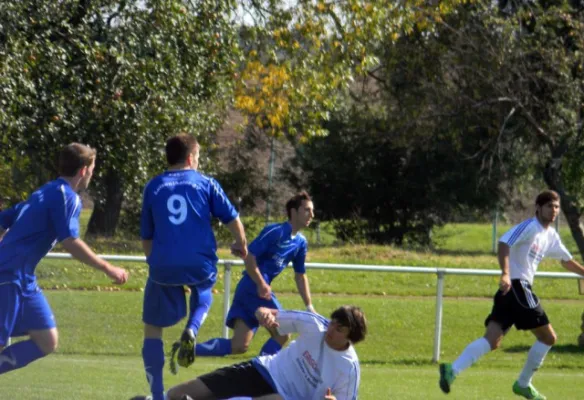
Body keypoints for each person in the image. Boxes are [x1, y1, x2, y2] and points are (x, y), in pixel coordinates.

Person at [439, 190, 584, 400]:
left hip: (509, 292)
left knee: (492, 340)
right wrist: (506, 273)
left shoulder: (550, 235)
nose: (553, 211)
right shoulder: (529, 227)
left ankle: (452, 370)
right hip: (517, 286)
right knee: (548, 337)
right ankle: (523, 384)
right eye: (549, 206)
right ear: (538, 207)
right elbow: (504, 242)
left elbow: (565, 260)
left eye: (556, 207)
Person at [0, 143, 129, 376]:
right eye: (92, 169)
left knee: (46, 339)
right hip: (8, 274)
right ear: (83, 170)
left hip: (23, 278)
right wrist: (109, 268)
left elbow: (5, 219)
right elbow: (71, 242)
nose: (92, 174)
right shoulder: (67, 197)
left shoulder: (45, 191)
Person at [139, 133, 247, 400]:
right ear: (190, 158)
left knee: (153, 328)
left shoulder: (153, 187)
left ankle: (157, 395)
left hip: (162, 265)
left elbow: (146, 237)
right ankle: (192, 328)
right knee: (204, 287)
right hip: (198, 262)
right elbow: (232, 218)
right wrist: (240, 244)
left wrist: (155, 263)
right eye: (198, 157)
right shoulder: (205, 183)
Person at [131, 304, 366, 400]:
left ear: (350, 336)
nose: (331, 329)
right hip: (262, 369)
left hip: (286, 397)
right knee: (189, 390)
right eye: (333, 322)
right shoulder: (315, 325)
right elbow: (268, 313)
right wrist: (263, 314)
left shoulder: (349, 368)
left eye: (339, 328)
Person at [195, 191, 316, 359]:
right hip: (254, 287)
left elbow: (300, 275)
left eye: (312, 210)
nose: (312, 214)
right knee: (283, 332)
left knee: (239, 345)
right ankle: (260, 371)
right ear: (294, 212)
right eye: (307, 210)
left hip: (254, 289)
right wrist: (261, 283)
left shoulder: (300, 243)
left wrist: (309, 305)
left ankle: (189, 350)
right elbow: (249, 257)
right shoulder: (275, 231)